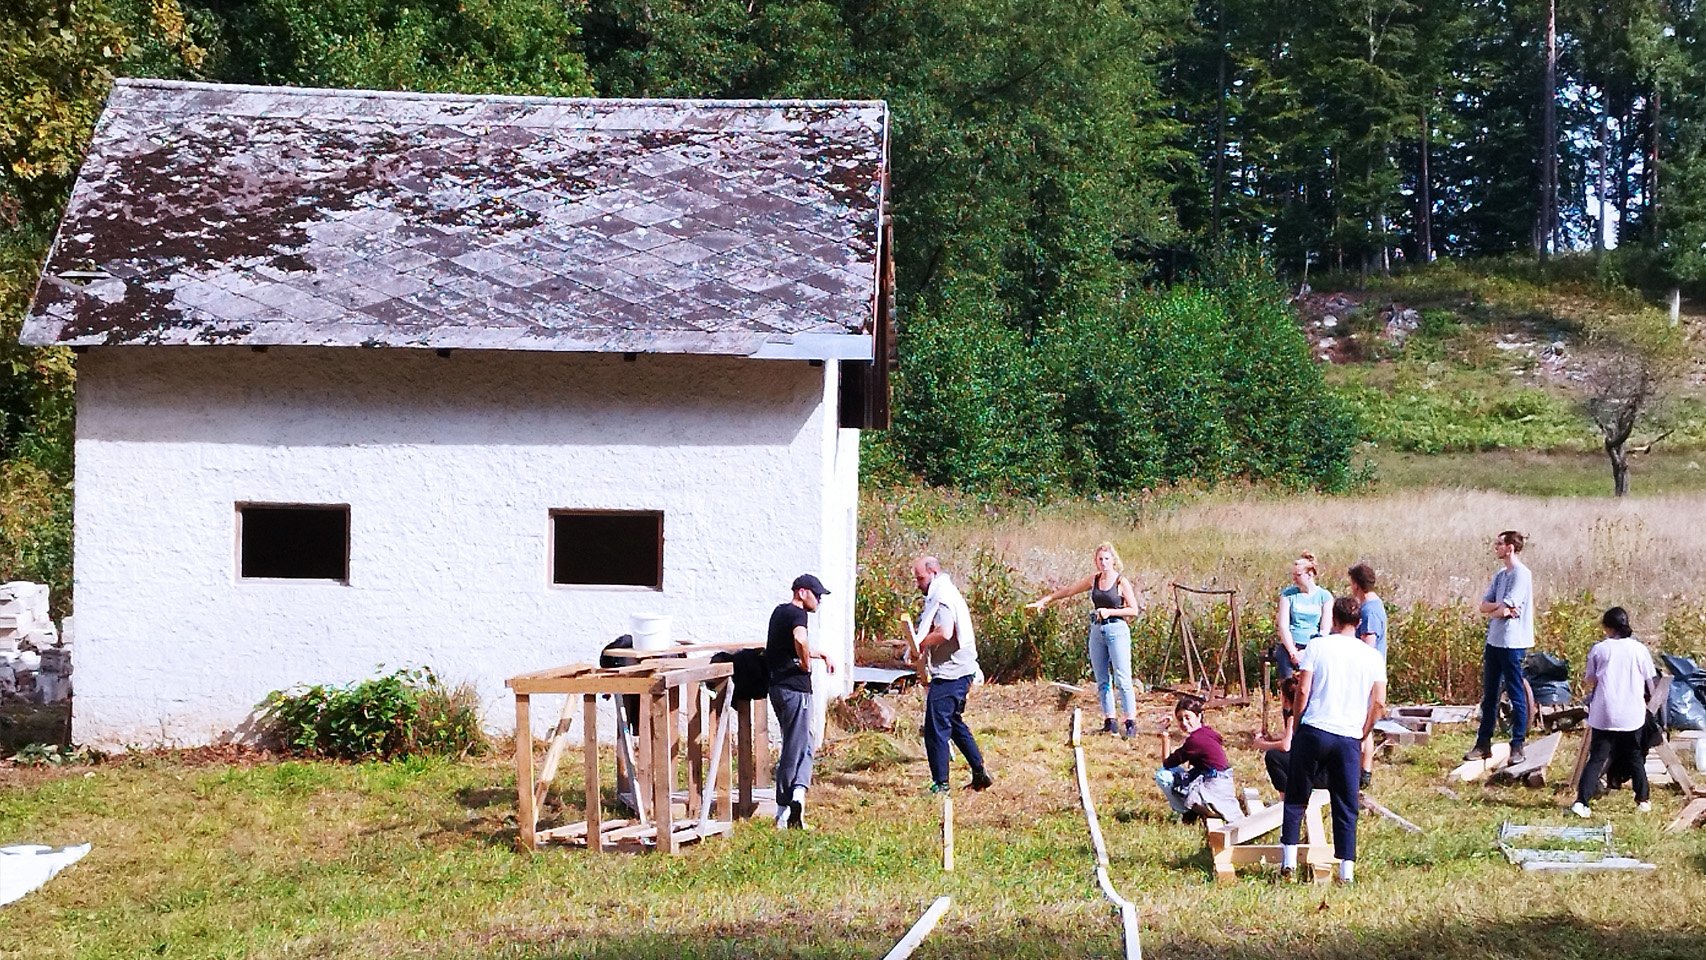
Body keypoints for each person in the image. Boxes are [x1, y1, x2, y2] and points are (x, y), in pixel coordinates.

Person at [1280, 596, 1387, 885]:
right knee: (1346, 803)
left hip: (1315, 727)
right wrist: (1363, 731)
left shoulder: (1318, 646)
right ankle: (1346, 871)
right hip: (1348, 735)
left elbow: (1303, 690)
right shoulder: (1372, 657)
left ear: (1334, 620)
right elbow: (1379, 702)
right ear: (1359, 623)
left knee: (1296, 795)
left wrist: (1298, 723)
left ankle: (1288, 861)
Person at [1026, 542, 1145, 738]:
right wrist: (1045, 601)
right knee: (1102, 678)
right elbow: (1069, 591)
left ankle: (1130, 721)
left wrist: (1110, 612)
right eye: (1100, 559)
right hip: (1097, 630)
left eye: (1106, 559)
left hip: (1116, 629)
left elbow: (1133, 610)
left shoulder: (1121, 582)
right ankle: (1110, 720)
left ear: (1113, 560)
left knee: (1122, 678)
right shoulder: (1094, 579)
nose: (1103, 562)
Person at [911, 556, 993, 794]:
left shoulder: (943, 597)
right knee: (953, 721)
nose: (918, 584)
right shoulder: (943, 592)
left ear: (933, 573)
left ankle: (941, 784)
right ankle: (980, 773)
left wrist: (920, 643)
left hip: (952, 672)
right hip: (959, 670)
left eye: (921, 578)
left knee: (935, 727)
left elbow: (945, 632)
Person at [763, 574, 837, 829]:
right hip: (795, 690)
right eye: (817, 595)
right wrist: (806, 664)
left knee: (805, 741)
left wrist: (819, 654)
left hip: (778, 687)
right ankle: (784, 810)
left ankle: (798, 795)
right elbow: (799, 639)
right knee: (795, 746)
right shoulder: (798, 614)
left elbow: (782, 648)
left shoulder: (779, 612)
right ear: (802, 592)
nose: (819, 601)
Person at [1573, 607, 1659, 818]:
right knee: (1635, 756)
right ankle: (1643, 799)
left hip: (1604, 713)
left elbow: (1590, 680)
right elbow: (1651, 682)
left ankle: (1582, 802)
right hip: (1632, 714)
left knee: (1596, 758)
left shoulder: (1599, 649)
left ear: (1608, 628)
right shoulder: (1639, 650)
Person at [1467, 530, 1535, 766]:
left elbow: (1509, 606)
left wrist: (1499, 610)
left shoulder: (1521, 574)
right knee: (1490, 695)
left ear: (1510, 547)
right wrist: (1498, 609)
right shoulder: (1500, 575)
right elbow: (1485, 606)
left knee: (1516, 693)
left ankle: (1517, 745)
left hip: (1512, 643)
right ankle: (1483, 743)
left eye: (1499, 544)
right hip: (1494, 641)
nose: (1496, 547)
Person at [1155, 695, 1238, 821]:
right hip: (1224, 781)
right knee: (1184, 775)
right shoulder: (1208, 732)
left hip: (1214, 784)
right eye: (1180, 719)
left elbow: (1167, 763)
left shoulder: (1194, 741)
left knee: (1163, 775)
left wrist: (1165, 738)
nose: (1184, 723)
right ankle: (1203, 807)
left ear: (1198, 716)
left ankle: (1187, 813)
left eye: (1187, 717)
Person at [1252, 675, 1328, 795]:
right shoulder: (1310, 712)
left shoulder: (1293, 716)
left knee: (1272, 757)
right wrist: (1272, 739)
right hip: (1325, 771)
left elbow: (1286, 746)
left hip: (1316, 775)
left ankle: (1288, 796)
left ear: (1286, 699)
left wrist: (1261, 744)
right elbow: (1293, 737)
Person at [1348, 562, 1388, 790]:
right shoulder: (1373, 605)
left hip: (1368, 676)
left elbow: (1368, 644)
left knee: (1362, 722)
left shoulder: (1369, 610)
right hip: (1371, 674)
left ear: (1356, 585)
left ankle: (1364, 770)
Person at [1274, 552, 1333, 681]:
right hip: (1292, 644)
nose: (1294, 579)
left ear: (1310, 574)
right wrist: (1293, 652)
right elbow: (1283, 626)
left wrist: (1308, 652)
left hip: (1314, 644)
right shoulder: (1288, 595)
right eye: (1293, 575)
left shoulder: (1325, 596)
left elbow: (1325, 629)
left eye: (1298, 575)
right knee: (1285, 668)